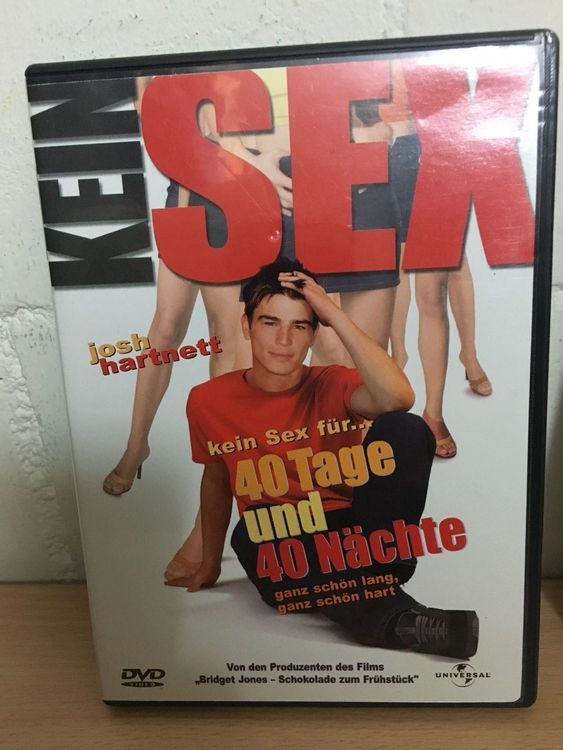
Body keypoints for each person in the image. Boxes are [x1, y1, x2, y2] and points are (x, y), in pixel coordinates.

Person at [181, 258, 478, 658]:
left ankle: (383, 577)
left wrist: (334, 314)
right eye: (270, 322)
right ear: (246, 326)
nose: (284, 339)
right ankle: (404, 619)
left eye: (299, 326)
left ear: (313, 334)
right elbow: (216, 479)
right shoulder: (208, 400)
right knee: (250, 532)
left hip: (360, 534)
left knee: (405, 428)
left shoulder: (333, 381)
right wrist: (210, 563)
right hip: (280, 537)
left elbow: (399, 398)